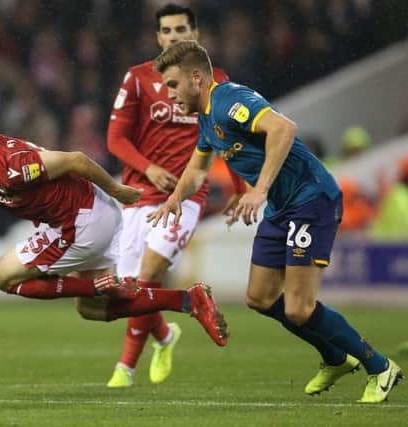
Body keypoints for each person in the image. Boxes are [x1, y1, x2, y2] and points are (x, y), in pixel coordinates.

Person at [147, 40, 403, 403]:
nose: (169, 94)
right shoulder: (205, 117)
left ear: (196, 77)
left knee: (299, 308)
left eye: (172, 85)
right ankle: (334, 357)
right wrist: (174, 199)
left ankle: (380, 367)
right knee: (260, 297)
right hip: (281, 208)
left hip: (310, 199)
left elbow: (283, 128)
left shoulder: (229, 101)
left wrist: (260, 189)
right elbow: (197, 168)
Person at [0, 114, 229, 349]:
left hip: (82, 221)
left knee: (2, 275)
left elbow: (76, 160)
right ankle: (189, 301)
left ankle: (101, 287)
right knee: (89, 310)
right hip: (84, 217)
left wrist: (118, 191)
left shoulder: (13, 167)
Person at [105, 3, 244, 388]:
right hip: (137, 193)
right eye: (166, 30)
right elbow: (115, 139)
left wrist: (239, 185)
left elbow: (227, 135)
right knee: (128, 288)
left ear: (194, 33)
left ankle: (125, 368)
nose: (174, 36)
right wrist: (147, 167)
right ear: (158, 37)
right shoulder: (136, 79)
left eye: (181, 28)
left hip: (186, 197)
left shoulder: (216, 81)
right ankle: (165, 336)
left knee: (148, 274)